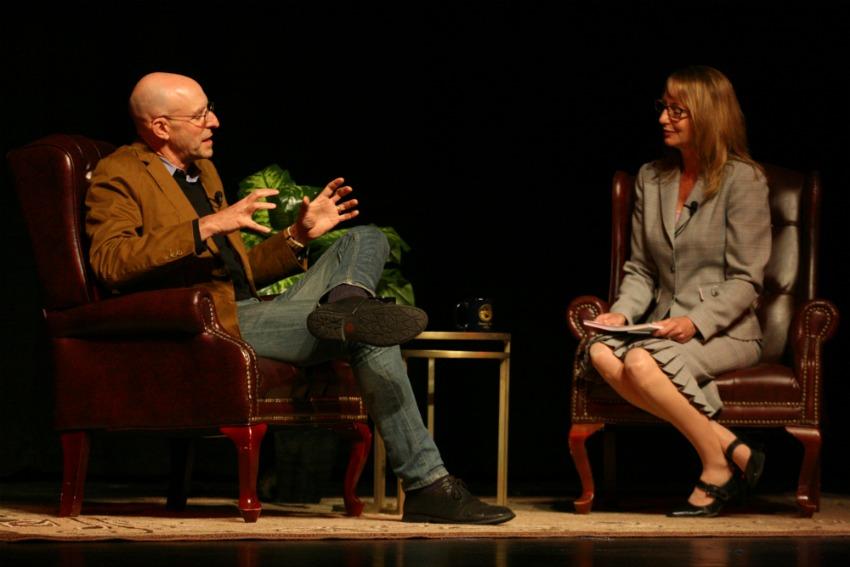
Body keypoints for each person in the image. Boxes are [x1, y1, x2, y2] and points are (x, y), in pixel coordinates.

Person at [85, 72, 515, 525]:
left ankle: (348, 302)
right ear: (160, 127)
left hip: (248, 303)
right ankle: (428, 484)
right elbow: (110, 261)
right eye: (200, 115)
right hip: (211, 321)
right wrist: (207, 225)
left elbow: (242, 273)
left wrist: (297, 236)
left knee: (365, 240)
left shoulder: (201, 170)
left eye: (209, 109)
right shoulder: (121, 173)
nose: (214, 121)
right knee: (369, 334)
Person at [585, 66, 770, 517]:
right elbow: (642, 269)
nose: (664, 118)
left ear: (707, 116)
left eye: (677, 110)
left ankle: (715, 468)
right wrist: (622, 315)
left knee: (642, 361)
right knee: (600, 351)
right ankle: (730, 446)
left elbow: (747, 281)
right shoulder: (652, 178)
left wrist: (695, 321)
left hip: (726, 331)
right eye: (663, 107)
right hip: (661, 324)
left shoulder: (743, 180)